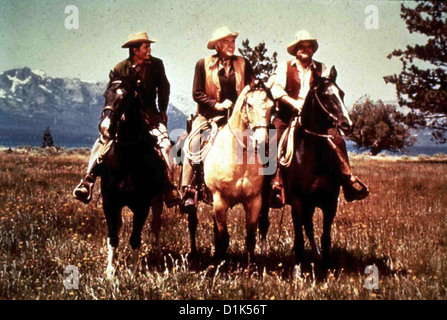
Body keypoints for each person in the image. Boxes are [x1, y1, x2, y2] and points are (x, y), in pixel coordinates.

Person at [73, 32, 181, 207]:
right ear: (135, 50)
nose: (149, 50)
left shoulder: (157, 65)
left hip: (150, 115)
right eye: (146, 47)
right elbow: (112, 94)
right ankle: (88, 180)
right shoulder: (119, 68)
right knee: (101, 142)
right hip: (123, 115)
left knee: (166, 145)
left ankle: (169, 186)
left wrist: (162, 110)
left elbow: (164, 89)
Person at [269, 30, 369, 207]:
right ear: (296, 50)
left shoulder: (321, 68)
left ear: (313, 50)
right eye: (302, 47)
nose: (306, 50)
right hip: (288, 114)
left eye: (309, 47)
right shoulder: (285, 67)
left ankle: (347, 180)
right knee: (273, 137)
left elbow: (327, 90)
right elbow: (276, 90)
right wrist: (294, 103)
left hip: (314, 118)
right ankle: (272, 183)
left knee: (338, 140)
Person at [180, 26, 255, 213]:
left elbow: (252, 87)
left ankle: (270, 186)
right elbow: (197, 93)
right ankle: (189, 190)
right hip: (209, 116)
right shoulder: (202, 64)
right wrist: (216, 105)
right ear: (217, 45)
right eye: (227, 42)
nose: (231, 45)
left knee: (264, 139)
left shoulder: (243, 63)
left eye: (233, 41)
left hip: (238, 118)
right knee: (193, 142)